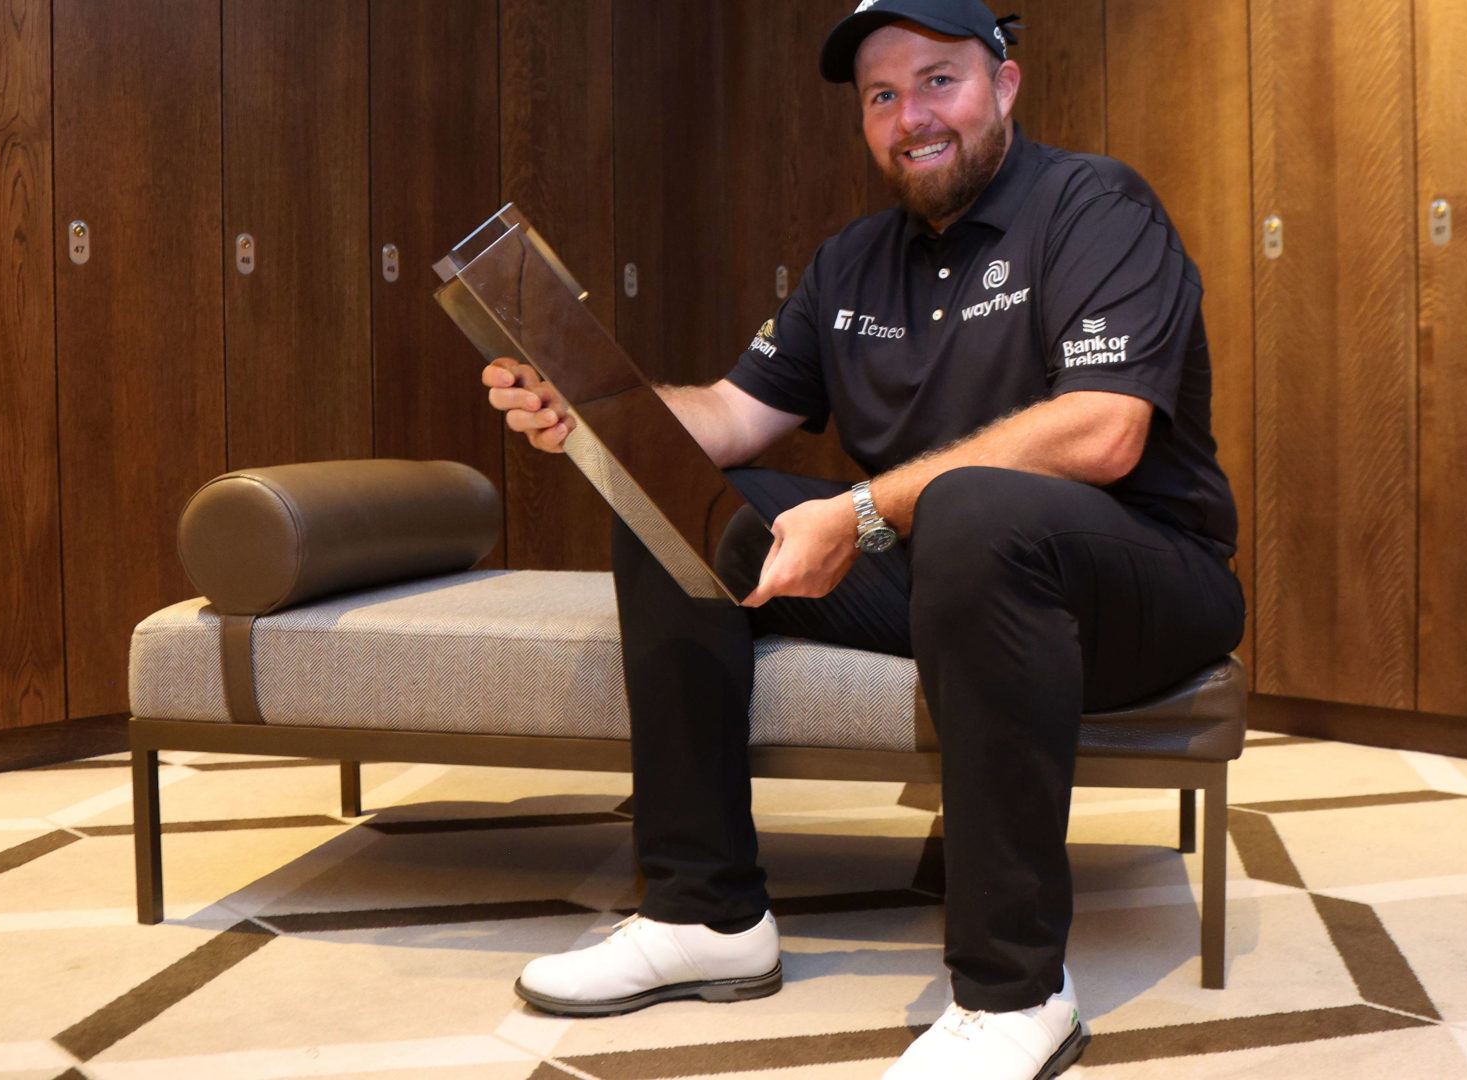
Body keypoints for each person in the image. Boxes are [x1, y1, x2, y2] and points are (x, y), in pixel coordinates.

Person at [481, 1, 1244, 1076]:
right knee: (680, 504)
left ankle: (1017, 991)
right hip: (954, 572)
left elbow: (1108, 430)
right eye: (882, 96)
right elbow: (731, 422)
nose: (911, 116)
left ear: (1006, 87)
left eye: (940, 81)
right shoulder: (850, 263)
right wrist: (596, 411)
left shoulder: (1092, 204)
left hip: (1142, 580)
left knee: (978, 504)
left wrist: (865, 511)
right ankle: (706, 913)